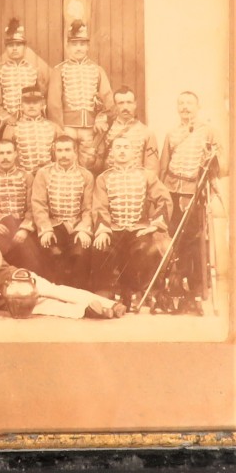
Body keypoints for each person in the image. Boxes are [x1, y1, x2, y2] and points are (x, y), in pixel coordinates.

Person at [0, 219, 125, 319]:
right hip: (6, 299)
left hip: (20, 281)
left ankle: (112, 305)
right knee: (47, 308)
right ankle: (93, 311)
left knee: (58, 292)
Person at [93, 136, 173, 309]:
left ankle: (138, 291)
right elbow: (100, 206)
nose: (122, 151)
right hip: (113, 229)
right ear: (112, 152)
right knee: (102, 247)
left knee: (143, 249)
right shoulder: (103, 178)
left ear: (133, 152)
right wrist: (103, 229)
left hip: (139, 228)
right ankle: (110, 293)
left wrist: (154, 225)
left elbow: (164, 199)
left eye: (126, 147)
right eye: (118, 147)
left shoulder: (146, 175)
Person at [159, 91, 221, 302]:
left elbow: (218, 162)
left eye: (190, 103)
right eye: (181, 103)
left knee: (193, 238)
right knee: (173, 236)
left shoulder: (209, 131)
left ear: (198, 106)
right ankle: (174, 283)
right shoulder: (172, 133)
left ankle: (195, 285)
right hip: (172, 190)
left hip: (194, 191)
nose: (185, 107)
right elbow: (164, 165)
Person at [47, 20, 115, 170]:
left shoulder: (97, 70)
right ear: (68, 46)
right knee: (65, 163)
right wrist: (60, 129)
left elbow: (108, 100)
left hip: (90, 128)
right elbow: (53, 104)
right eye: (74, 44)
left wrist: (101, 118)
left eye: (82, 44)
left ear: (88, 46)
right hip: (67, 127)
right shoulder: (59, 70)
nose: (79, 48)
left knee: (89, 164)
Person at [30, 135, 95, 288]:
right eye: (59, 150)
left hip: (77, 225)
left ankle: (79, 294)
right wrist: (45, 229)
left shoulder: (86, 175)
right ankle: (54, 294)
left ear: (75, 152)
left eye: (67, 150)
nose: (63, 155)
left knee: (81, 251)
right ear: (54, 152)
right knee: (51, 249)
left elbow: (88, 208)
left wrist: (84, 229)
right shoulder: (43, 173)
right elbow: (38, 204)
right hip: (54, 225)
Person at [0, 138, 47, 275]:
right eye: (1, 153)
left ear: (15, 154)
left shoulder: (27, 177)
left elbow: (33, 205)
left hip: (22, 224)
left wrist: (25, 229)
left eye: (8, 153)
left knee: (31, 254)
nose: (5, 157)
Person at [0, 18, 50, 138]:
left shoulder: (35, 70)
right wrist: (7, 118)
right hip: (8, 124)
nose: (14, 48)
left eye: (18, 45)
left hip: (32, 121)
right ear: (6, 48)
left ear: (25, 47)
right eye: (10, 45)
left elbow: (43, 97)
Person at [99, 86, 159, 175]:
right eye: (121, 103)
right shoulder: (106, 130)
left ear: (135, 104)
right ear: (115, 106)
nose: (125, 107)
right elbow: (97, 162)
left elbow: (152, 168)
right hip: (111, 182)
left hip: (136, 183)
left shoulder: (147, 133)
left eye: (129, 102)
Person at [2, 87, 61, 175]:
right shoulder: (12, 128)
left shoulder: (53, 127)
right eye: (27, 102)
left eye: (35, 102)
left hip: (48, 176)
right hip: (22, 176)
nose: (31, 106)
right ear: (21, 106)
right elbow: (5, 155)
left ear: (42, 105)